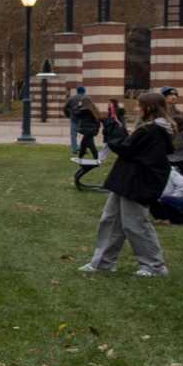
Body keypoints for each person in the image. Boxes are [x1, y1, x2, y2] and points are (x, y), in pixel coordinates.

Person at [80, 92, 173, 277]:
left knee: (135, 224)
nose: (137, 109)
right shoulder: (148, 129)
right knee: (111, 220)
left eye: (139, 105)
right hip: (126, 180)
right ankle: (103, 263)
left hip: (138, 183)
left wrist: (114, 131)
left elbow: (126, 148)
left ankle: (154, 266)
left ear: (149, 108)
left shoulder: (153, 130)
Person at [68, 84, 98, 160]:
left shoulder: (73, 99)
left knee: (74, 135)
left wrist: (75, 108)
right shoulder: (91, 106)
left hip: (79, 123)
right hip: (90, 128)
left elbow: (74, 111)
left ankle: (76, 150)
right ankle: (81, 156)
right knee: (86, 142)